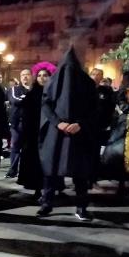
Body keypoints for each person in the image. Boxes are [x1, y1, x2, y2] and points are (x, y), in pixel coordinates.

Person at [37, 49, 98, 221]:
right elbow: (46, 105)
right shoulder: (53, 82)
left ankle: (81, 206)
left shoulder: (87, 83)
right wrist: (58, 123)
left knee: (80, 172)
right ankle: (47, 203)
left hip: (79, 133)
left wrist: (81, 124)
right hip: (57, 132)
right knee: (51, 170)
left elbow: (94, 108)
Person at [17, 63, 54, 199]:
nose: (42, 78)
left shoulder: (54, 94)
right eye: (39, 76)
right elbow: (26, 114)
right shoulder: (32, 94)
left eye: (45, 75)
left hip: (50, 133)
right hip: (33, 134)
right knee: (35, 162)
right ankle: (37, 188)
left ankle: (51, 189)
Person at [5, 68, 32, 178]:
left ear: (31, 76)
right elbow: (15, 100)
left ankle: (26, 172)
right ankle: (13, 170)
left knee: (29, 148)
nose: (25, 77)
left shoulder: (35, 89)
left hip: (31, 123)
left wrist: (25, 98)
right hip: (17, 123)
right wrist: (29, 99)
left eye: (27, 74)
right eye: (22, 75)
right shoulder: (14, 89)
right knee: (15, 146)